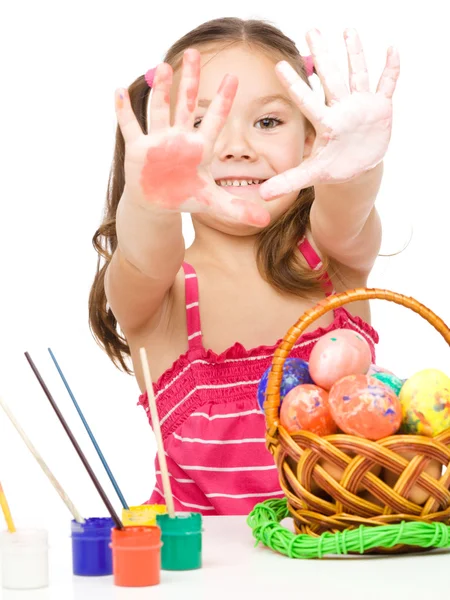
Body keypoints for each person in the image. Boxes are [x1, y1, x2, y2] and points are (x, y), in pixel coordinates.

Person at [88, 17, 400, 515]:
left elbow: (347, 213)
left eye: (269, 122)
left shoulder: (334, 261)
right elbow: (144, 254)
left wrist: (357, 169)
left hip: (343, 570)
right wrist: (151, 201)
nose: (236, 147)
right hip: (202, 581)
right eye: (201, 123)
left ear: (310, 140)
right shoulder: (161, 297)